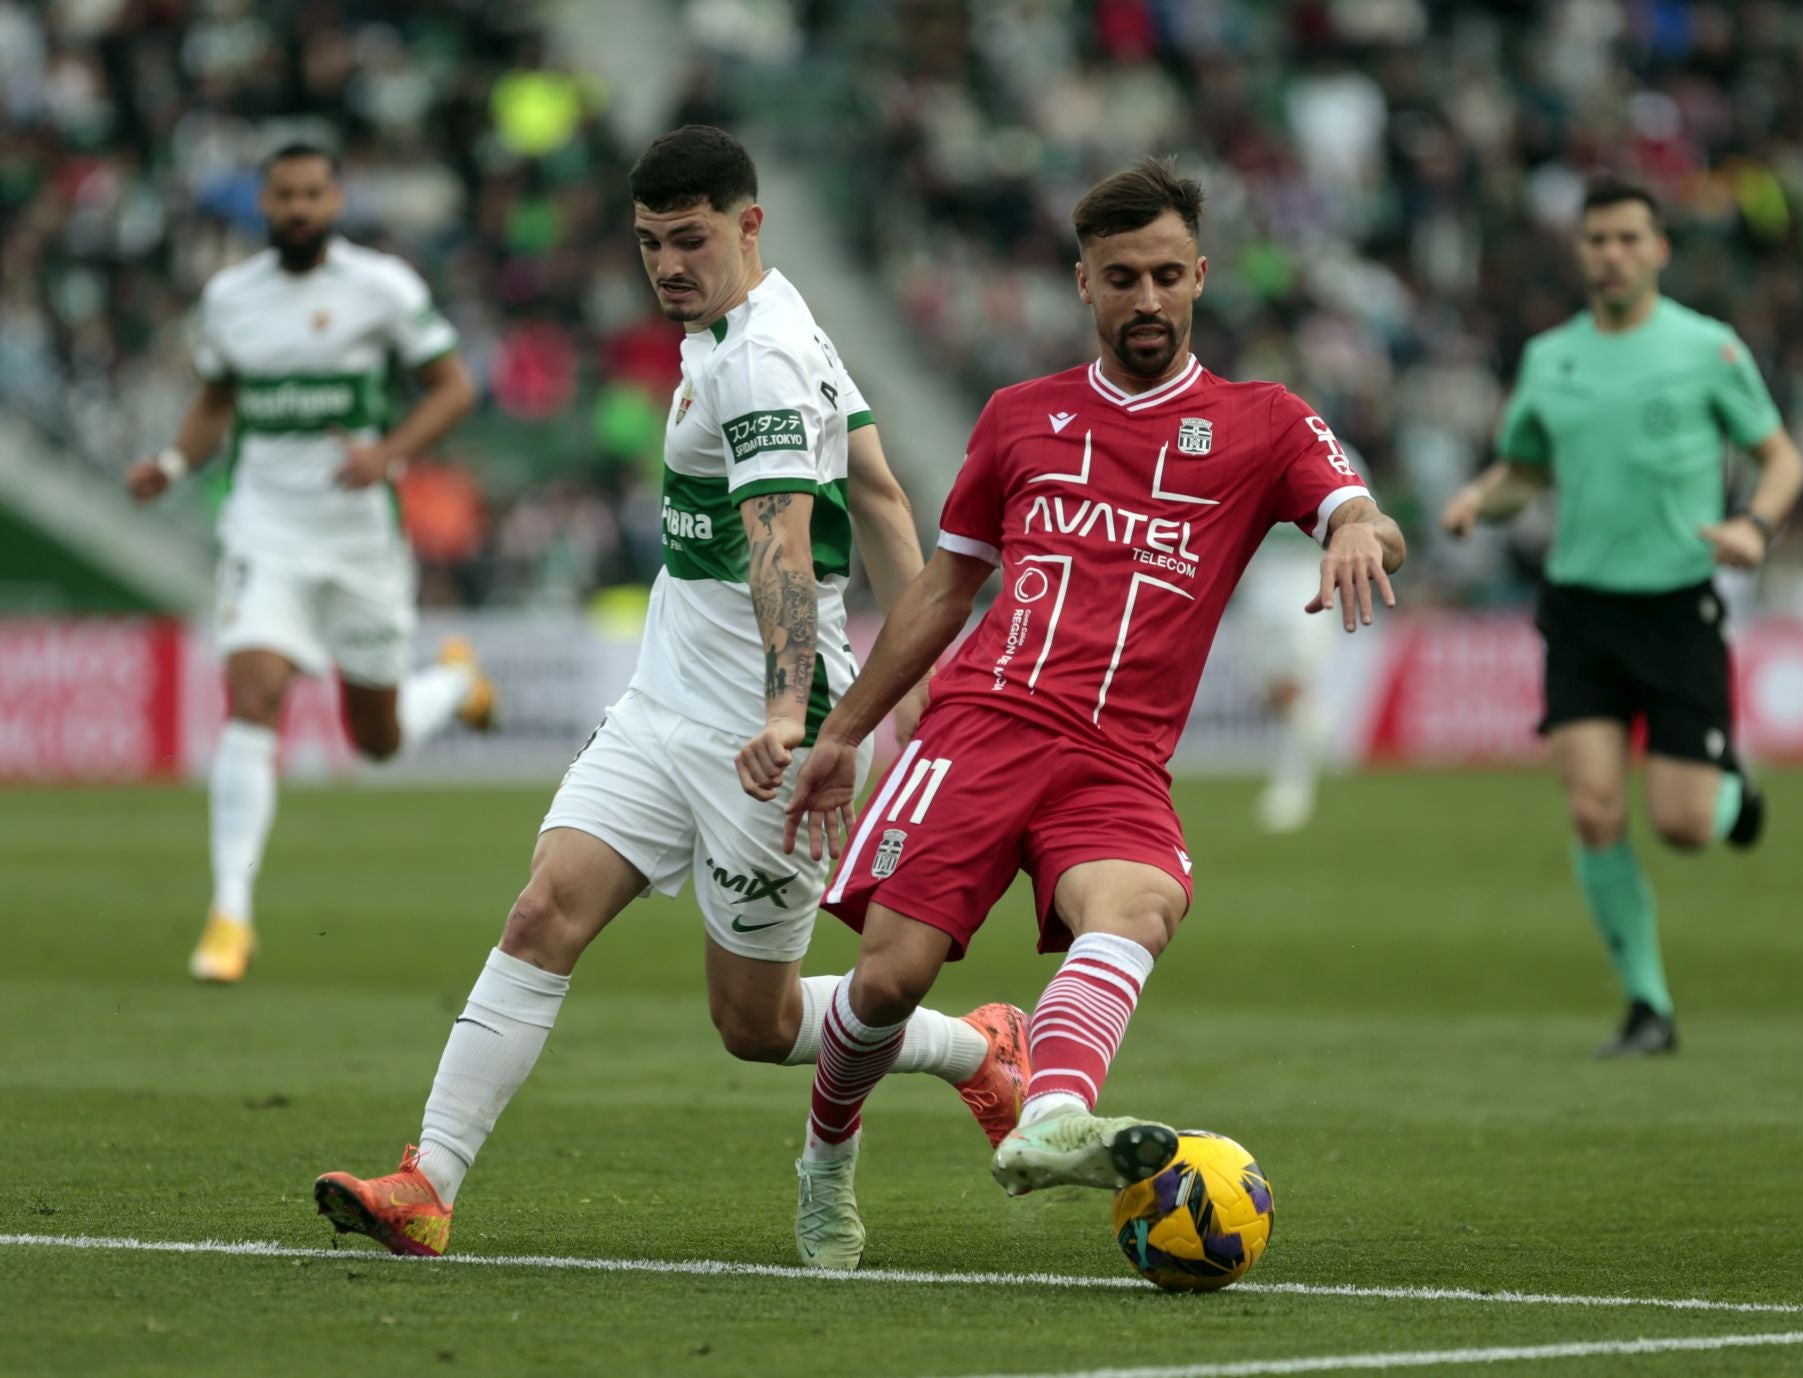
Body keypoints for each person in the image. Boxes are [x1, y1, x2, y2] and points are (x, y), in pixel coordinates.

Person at [312, 126, 1027, 1259]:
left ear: (750, 225)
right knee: (544, 909)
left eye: (689, 239)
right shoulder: (748, 324)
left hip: (765, 737)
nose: (666, 265)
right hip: (661, 710)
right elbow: (885, 496)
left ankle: (976, 1049)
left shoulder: (761, 360)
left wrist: (799, 710)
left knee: (758, 1022)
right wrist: (925, 682)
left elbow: (784, 546)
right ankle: (427, 1182)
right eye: (649, 243)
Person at [748, 157, 1405, 1269]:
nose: (1146, 299)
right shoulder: (1018, 419)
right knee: (889, 982)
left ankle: (1052, 1118)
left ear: (1200, 277)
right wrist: (845, 730)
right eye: (1120, 278)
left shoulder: (1265, 423)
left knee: (1142, 902)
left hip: (1119, 757)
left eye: (1164, 275)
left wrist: (1354, 529)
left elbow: (1363, 512)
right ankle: (826, 1161)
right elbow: (944, 591)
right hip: (980, 728)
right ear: (1083, 287)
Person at [1441, 180, 1803, 1057]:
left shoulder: (1706, 349)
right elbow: (1524, 470)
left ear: (1658, 250)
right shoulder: (1549, 358)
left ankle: (1734, 791)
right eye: (1596, 238)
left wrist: (1757, 526)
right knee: (1597, 809)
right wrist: (1478, 501)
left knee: (1682, 825)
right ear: (1581, 251)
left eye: (1627, 238)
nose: (1610, 253)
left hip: (1679, 607)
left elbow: (1780, 455)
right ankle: (1649, 1008)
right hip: (1580, 613)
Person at [126, 143, 492, 985]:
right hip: (265, 529)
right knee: (252, 696)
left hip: (361, 534)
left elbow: (454, 387)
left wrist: (389, 453)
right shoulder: (229, 299)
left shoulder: (382, 288)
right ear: (263, 202)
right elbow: (217, 399)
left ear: (335, 200)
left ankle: (455, 685)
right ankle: (230, 916)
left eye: (312, 194)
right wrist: (174, 465)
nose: (298, 208)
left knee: (378, 741)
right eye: (284, 194)